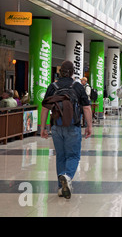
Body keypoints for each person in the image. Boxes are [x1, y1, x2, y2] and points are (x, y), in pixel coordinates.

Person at [40, 60, 93, 200]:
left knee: (61, 156)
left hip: (56, 127)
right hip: (73, 126)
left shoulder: (53, 86)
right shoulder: (77, 87)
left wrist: (43, 128)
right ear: (73, 72)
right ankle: (68, 177)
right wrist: (89, 126)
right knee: (73, 156)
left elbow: (45, 108)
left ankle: (60, 187)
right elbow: (87, 108)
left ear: (60, 71)